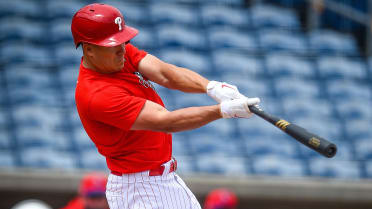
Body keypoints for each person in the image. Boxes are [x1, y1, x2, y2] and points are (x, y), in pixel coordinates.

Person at [71, 3, 260, 209]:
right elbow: (166, 121)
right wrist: (223, 110)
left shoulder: (116, 57)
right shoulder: (97, 95)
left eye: (123, 42)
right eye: (113, 45)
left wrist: (212, 87)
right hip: (140, 188)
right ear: (89, 49)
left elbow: (165, 74)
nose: (122, 49)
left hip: (163, 179)